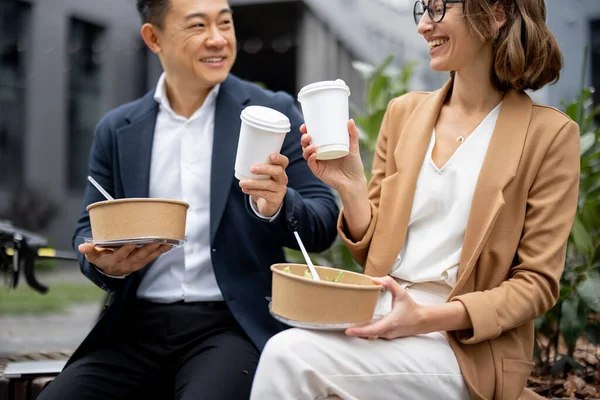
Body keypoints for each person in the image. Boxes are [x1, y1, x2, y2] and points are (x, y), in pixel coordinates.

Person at [250, 0, 580, 399]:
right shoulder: (403, 113)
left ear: (496, 14)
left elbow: (536, 285)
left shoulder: (550, 135)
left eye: (440, 9)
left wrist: (423, 318)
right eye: (422, 9)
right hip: (377, 313)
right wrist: (351, 187)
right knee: (291, 346)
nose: (424, 25)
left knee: (289, 356)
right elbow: (371, 251)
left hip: (463, 346)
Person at [38, 0, 339, 399]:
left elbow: (323, 221)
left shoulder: (271, 114)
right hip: (132, 326)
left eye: (225, 23)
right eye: (197, 26)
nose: (218, 39)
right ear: (154, 38)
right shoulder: (117, 128)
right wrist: (106, 264)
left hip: (230, 324)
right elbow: (87, 231)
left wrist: (280, 202)